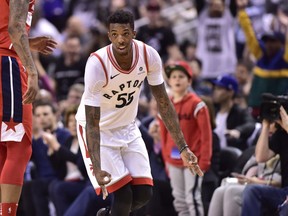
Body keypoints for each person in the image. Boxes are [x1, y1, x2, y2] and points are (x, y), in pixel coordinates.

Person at [75, 10, 203, 216]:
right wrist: (96, 167)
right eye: (114, 34)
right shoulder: (97, 64)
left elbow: (163, 102)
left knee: (144, 193)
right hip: (100, 130)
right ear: (109, 36)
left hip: (127, 127)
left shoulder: (149, 55)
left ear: (134, 33)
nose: (120, 39)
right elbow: (92, 120)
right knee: (123, 196)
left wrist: (183, 147)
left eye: (125, 33)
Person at [0, 1, 57, 215]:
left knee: (5, 147)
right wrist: (33, 71)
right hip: (7, 65)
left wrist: (28, 42)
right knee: (19, 144)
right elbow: (14, 28)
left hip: (4, 58)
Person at [159, 61, 212, 216]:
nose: (176, 79)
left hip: (193, 160)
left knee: (192, 199)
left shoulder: (198, 105)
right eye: (173, 76)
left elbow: (206, 136)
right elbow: (163, 134)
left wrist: (204, 162)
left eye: (181, 76)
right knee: (179, 200)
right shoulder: (165, 104)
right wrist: (166, 159)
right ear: (168, 81)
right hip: (173, 160)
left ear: (189, 80)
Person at [241, 106, 288, 216]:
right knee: (251, 191)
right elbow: (260, 157)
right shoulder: (282, 134)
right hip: (284, 191)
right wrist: (265, 125)